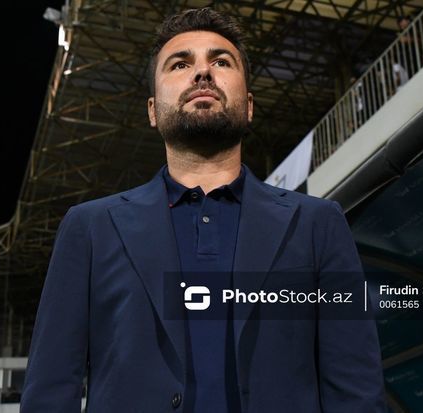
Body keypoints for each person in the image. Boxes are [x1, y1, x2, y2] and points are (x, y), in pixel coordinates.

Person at [21, 7, 386, 413]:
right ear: (152, 111)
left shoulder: (318, 224)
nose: (202, 73)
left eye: (221, 62)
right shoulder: (89, 227)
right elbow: (50, 389)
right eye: (180, 64)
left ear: (249, 106)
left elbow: (356, 390)